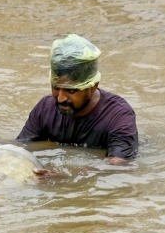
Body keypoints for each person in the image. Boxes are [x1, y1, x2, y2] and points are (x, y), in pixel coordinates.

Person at [17, 34, 138, 164]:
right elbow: (22, 148)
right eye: (56, 87)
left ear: (93, 86)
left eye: (71, 90)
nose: (61, 98)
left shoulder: (119, 116)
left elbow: (119, 164)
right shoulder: (45, 108)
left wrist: (68, 176)